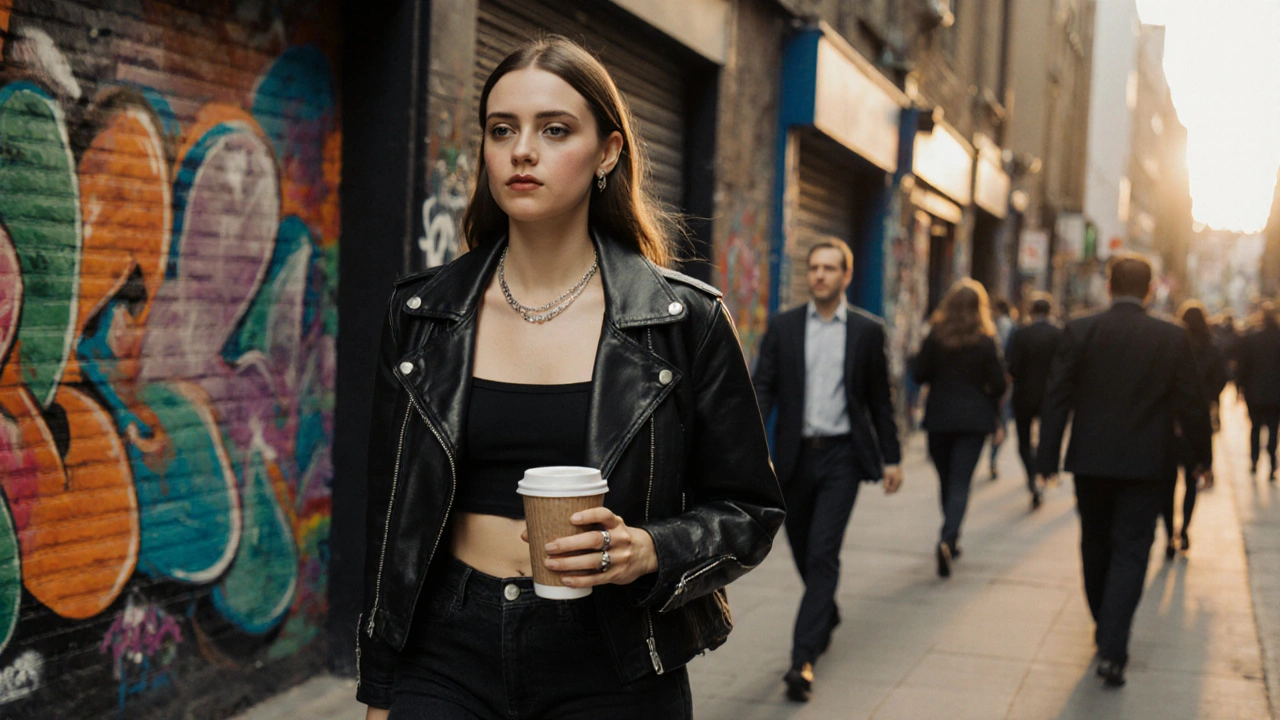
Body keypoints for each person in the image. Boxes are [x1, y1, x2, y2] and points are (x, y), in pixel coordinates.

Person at [356, 36, 784, 720]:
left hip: (609, 655)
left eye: (555, 130)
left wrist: (646, 548)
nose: (523, 150)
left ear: (608, 152)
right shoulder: (421, 316)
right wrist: (381, 688)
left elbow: (749, 512)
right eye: (503, 130)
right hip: (444, 648)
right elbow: (390, 519)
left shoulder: (682, 321)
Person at [1038, 253, 1212, 687]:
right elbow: (1193, 404)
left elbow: (1057, 396)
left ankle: (1105, 627)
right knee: (1132, 551)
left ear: (1109, 286)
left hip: (1091, 462)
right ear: (1151, 290)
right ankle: (1114, 646)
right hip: (1147, 464)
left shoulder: (1080, 329)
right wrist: (1203, 458)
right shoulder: (1171, 338)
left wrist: (1046, 459)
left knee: (1094, 545)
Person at [752, 238, 903, 703]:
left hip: (842, 457)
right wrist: (754, 451)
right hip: (795, 457)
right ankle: (827, 610)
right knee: (800, 547)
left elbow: (880, 399)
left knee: (822, 554)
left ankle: (802, 658)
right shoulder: (783, 326)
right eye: (813, 267)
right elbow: (763, 389)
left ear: (846, 275)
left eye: (829, 268)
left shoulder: (865, 330)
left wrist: (892, 456)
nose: (819, 275)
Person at [912, 279, 1007, 578]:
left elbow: (918, 373)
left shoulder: (936, 337)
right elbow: (1000, 384)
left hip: (939, 419)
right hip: (973, 421)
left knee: (946, 478)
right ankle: (948, 537)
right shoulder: (985, 340)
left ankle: (949, 535)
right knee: (960, 482)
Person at [1156, 300, 1227, 558]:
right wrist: (1207, 397)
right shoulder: (1212, 347)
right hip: (1197, 419)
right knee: (1192, 476)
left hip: (1170, 420)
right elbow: (1222, 378)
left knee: (1167, 480)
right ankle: (1183, 528)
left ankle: (1167, 532)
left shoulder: (1172, 345)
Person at [1006, 293, 1063, 509]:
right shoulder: (1059, 333)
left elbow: (1012, 366)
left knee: (1023, 440)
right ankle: (1041, 470)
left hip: (1024, 395)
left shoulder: (1021, 334)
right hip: (1050, 395)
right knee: (1047, 437)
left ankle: (1031, 472)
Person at [1236, 302, 1280, 480]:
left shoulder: (1252, 338)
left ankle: (1254, 459)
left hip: (1255, 392)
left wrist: (1241, 387)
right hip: (1276, 393)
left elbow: (1243, 366)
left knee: (1254, 427)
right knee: (1273, 428)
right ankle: (1271, 463)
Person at [988, 298, 1017, 480]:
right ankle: (992, 458)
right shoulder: (1010, 326)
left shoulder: (998, 325)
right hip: (1002, 381)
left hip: (995, 381)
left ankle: (992, 458)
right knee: (1001, 421)